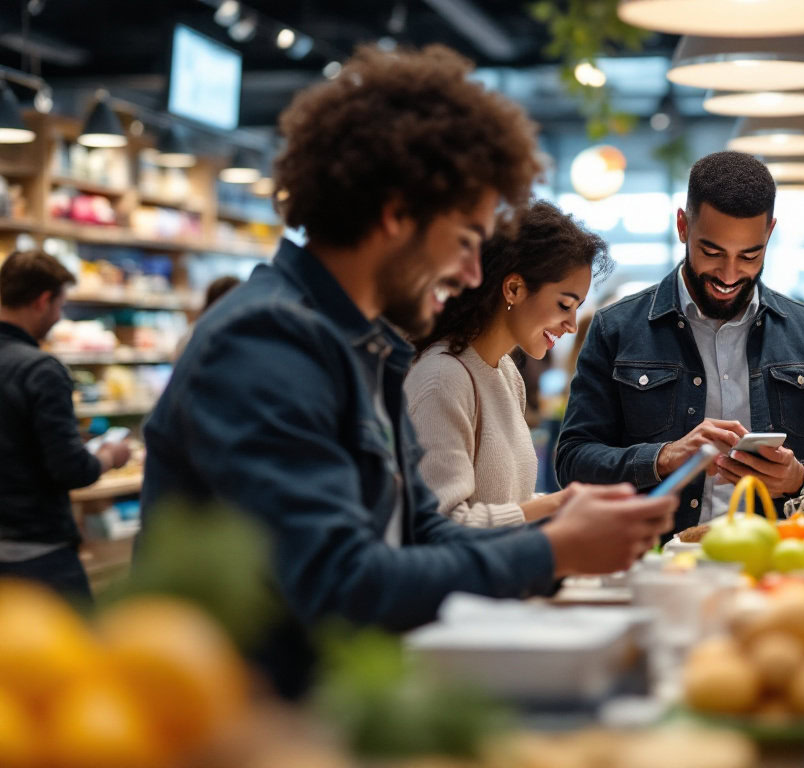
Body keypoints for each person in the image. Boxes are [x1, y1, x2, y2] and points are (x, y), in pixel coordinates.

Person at [139, 45, 676, 698]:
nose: (473, 275)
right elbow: (341, 584)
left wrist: (562, 527)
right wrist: (552, 550)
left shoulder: (367, 348)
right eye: (466, 240)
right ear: (397, 216)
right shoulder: (268, 342)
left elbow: (427, 534)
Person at [556, 151, 804, 532]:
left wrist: (799, 477)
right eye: (712, 251)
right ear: (683, 226)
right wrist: (663, 457)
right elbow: (572, 461)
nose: (730, 274)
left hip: (778, 559)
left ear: (769, 234)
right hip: (654, 561)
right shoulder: (615, 329)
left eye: (750, 255)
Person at [406, 200, 611, 527]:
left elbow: (507, 504)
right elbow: (440, 524)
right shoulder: (443, 378)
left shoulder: (505, 373)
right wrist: (560, 502)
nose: (572, 325)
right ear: (514, 288)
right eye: (564, 305)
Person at [0, 250, 131, 601]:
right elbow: (71, 469)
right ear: (43, 301)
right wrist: (108, 456)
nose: (59, 318)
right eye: (60, 306)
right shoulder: (41, 370)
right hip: (37, 558)